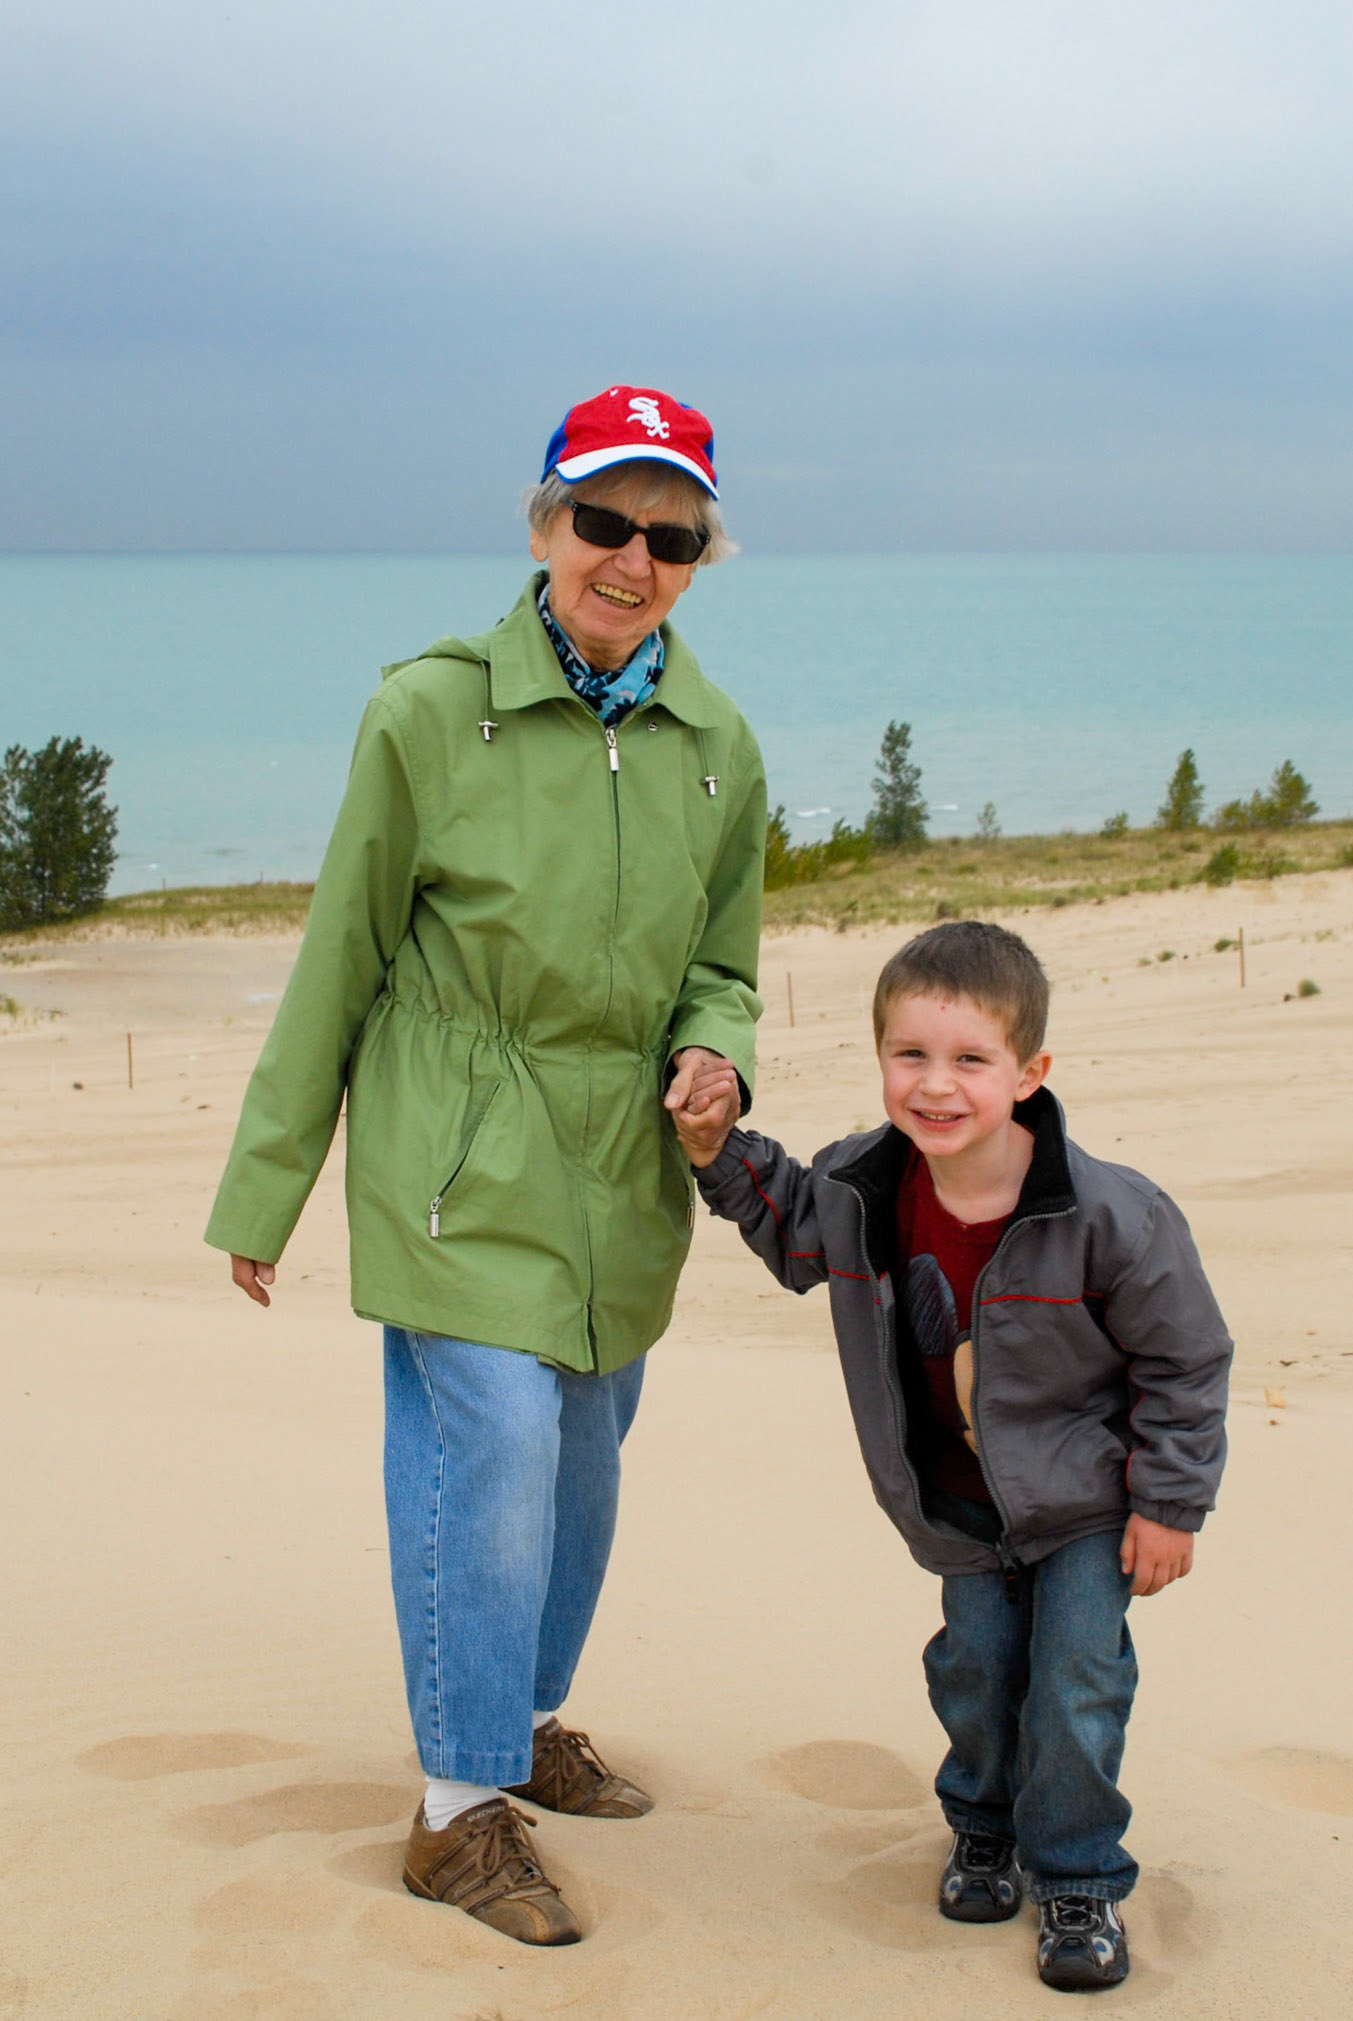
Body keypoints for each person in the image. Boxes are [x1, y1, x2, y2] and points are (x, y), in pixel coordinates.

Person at [205, 385, 765, 1946]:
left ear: (696, 559)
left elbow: (725, 963)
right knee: (497, 1446)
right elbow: (340, 957)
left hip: (620, 1169)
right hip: (451, 1149)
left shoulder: (719, 743)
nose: (631, 559)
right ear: (541, 525)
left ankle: (516, 1725)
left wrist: (719, 1050)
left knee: (583, 1466)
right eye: (603, 519)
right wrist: (267, 1186)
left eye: (670, 534)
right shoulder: (426, 712)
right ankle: (460, 1813)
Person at [672, 921, 1231, 1993]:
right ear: (878, 1057)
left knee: (1075, 1676)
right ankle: (983, 1824)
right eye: (910, 1055)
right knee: (974, 1666)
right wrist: (715, 1150)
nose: (936, 1085)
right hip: (957, 1506)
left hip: (1087, 1505)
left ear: (1030, 1073)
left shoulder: (1114, 1213)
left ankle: (1075, 1874)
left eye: (971, 1059)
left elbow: (1187, 1359)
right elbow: (788, 1223)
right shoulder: (859, 1189)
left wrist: (1170, 1501)